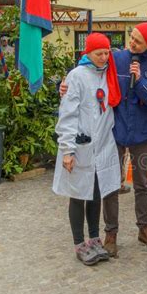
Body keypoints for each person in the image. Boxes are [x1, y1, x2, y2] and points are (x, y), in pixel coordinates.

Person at [60, 23, 147, 256]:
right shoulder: (117, 58)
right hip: (115, 133)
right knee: (111, 184)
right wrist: (64, 86)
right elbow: (90, 71)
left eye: (138, 41)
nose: (132, 43)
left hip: (142, 134)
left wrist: (140, 81)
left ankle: (144, 228)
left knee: (142, 184)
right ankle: (111, 232)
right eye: (132, 37)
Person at [53, 33, 121, 266]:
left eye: (106, 52)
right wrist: (68, 150)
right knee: (78, 195)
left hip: (102, 146)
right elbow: (68, 114)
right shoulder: (76, 76)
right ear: (88, 53)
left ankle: (94, 238)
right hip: (81, 146)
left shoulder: (108, 73)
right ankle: (79, 242)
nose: (103, 57)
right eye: (98, 53)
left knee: (95, 193)